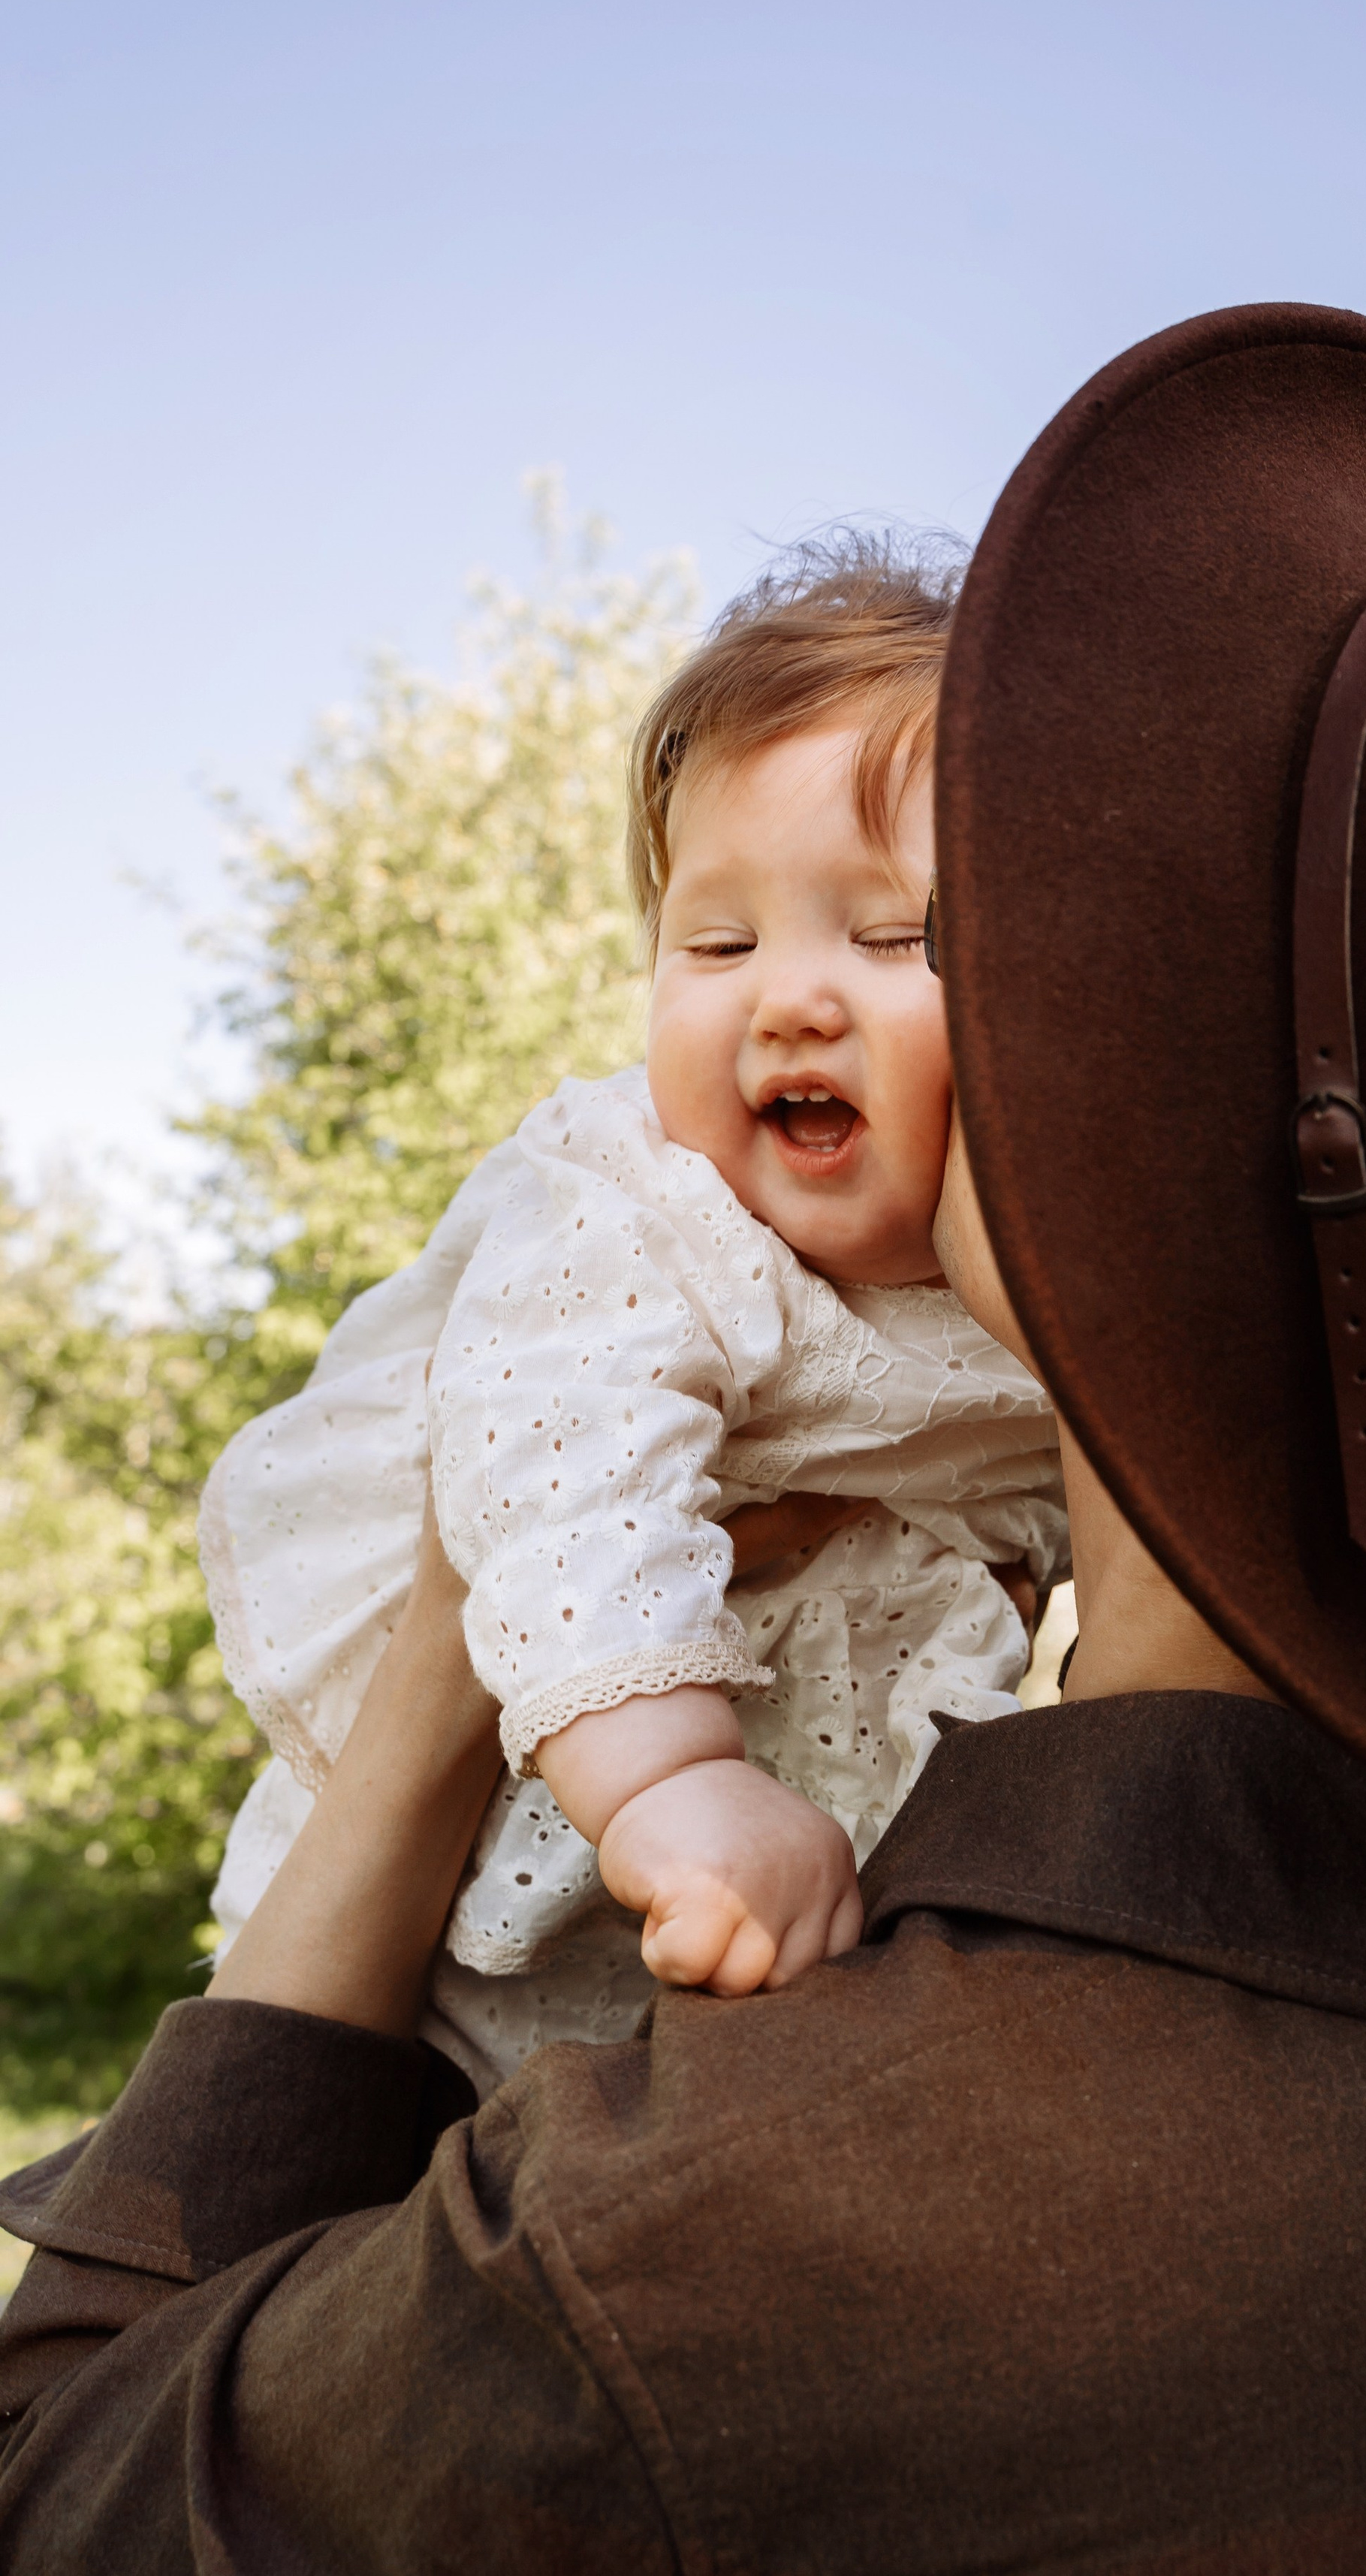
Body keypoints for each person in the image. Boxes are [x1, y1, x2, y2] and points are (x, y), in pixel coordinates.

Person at [8, 298, 1366, 2569]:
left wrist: (435, 1702)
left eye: (997, 932)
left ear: (1132, 1115)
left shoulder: (715, 2261)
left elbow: (69, 2491)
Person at [202, 542, 1066, 2088]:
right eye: (715, 944)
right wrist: (673, 1784)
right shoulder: (637, 1203)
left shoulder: (1051, 1273)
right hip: (483, 1882)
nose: (786, 999)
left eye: (889, 939)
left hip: (751, 1941)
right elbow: (556, 1469)